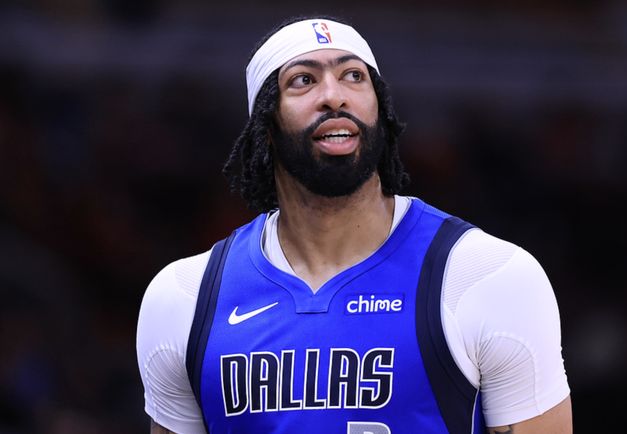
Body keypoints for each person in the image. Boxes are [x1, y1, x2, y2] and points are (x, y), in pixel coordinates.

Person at [136, 15, 572, 434]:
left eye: (353, 76)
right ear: (265, 126)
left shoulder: (488, 276)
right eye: (303, 80)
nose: (334, 96)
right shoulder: (184, 298)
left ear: (379, 110)